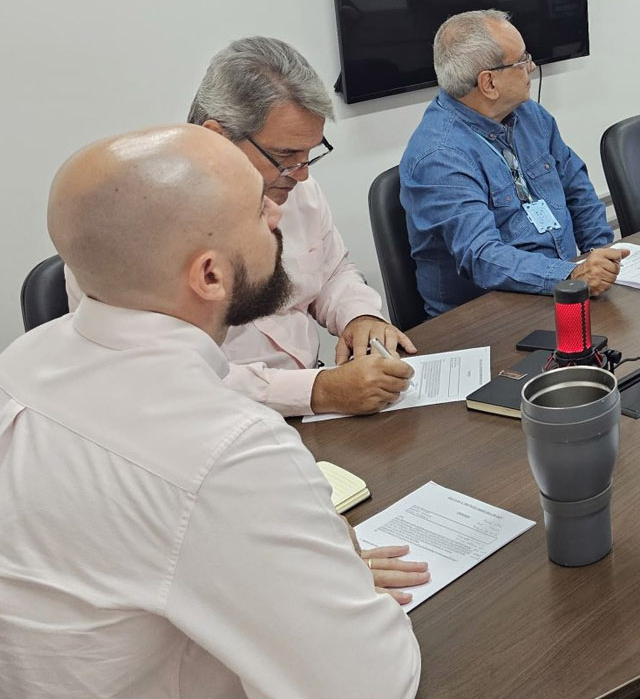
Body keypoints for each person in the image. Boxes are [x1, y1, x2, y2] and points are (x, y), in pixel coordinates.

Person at [0, 125, 424, 699]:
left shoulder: (19, 364)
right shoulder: (228, 449)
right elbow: (373, 683)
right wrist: (330, 574)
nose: (278, 218)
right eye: (258, 212)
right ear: (209, 275)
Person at [65, 37, 416, 418]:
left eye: (310, 153)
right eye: (285, 156)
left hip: (316, 405)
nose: (302, 174)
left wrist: (359, 315)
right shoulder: (137, 230)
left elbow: (332, 272)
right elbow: (166, 380)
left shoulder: (293, 186)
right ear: (218, 137)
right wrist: (315, 392)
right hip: (212, 425)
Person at [401, 9, 625, 317]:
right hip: (485, 319)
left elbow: (578, 190)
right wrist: (570, 275)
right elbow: (482, 257)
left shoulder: (531, 116)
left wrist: (600, 257)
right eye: (522, 61)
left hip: (561, 293)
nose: (532, 67)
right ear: (489, 83)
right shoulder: (440, 157)